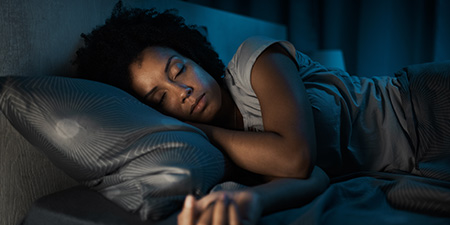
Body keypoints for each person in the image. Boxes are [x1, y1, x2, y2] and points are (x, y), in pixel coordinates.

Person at [75, 1, 450, 224]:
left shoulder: (255, 60)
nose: (184, 91)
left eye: (178, 70)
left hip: (426, 104)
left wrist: (199, 130)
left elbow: (296, 158)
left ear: (195, 56)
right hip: (420, 162)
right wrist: (252, 200)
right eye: (160, 99)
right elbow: (315, 177)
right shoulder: (228, 156)